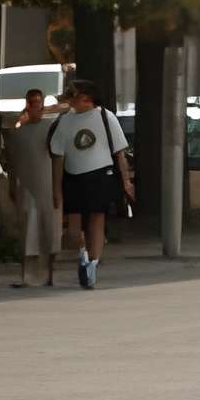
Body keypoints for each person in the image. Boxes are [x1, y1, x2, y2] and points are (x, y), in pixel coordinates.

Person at [50, 75, 136, 289]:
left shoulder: (106, 117)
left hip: (100, 175)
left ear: (87, 99)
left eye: (74, 96)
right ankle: (83, 255)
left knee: (97, 220)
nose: (70, 101)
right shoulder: (64, 121)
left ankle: (93, 264)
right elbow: (58, 157)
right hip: (74, 176)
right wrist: (56, 188)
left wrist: (126, 182)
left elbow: (120, 153)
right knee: (73, 229)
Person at [2, 85, 61, 287]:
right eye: (32, 103)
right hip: (26, 184)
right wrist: (12, 184)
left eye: (38, 103)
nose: (35, 107)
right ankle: (28, 275)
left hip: (46, 183)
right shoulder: (18, 132)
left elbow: (57, 158)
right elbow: (12, 161)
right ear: (27, 105)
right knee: (28, 228)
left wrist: (57, 188)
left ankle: (48, 274)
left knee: (49, 229)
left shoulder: (50, 129)